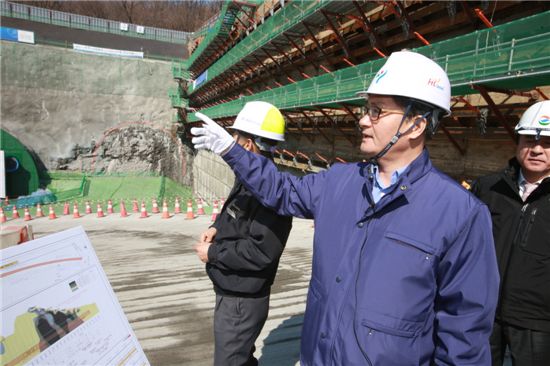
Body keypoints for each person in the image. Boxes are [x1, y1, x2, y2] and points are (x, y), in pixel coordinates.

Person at [192, 51, 499, 365]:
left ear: (416, 125)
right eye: (367, 108)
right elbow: (282, 191)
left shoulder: (460, 213)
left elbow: (464, 333)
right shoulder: (339, 182)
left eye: (378, 111)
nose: (363, 120)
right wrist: (232, 150)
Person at [193, 101, 293, 366]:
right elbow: (234, 212)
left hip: (241, 302)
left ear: (248, 145)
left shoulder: (272, 194)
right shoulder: (249, 179)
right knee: (241, 357)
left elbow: (261, 252)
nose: (232, 144)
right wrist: (217, 227)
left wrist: (213, 253)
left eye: (234, 139)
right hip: (233, 292)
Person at [471, 100, 550, 366]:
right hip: (483, 312)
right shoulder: (488, 188)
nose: (537, 149)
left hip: (537, 324)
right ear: (517, 142)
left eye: (547, 143)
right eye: (529, 139)